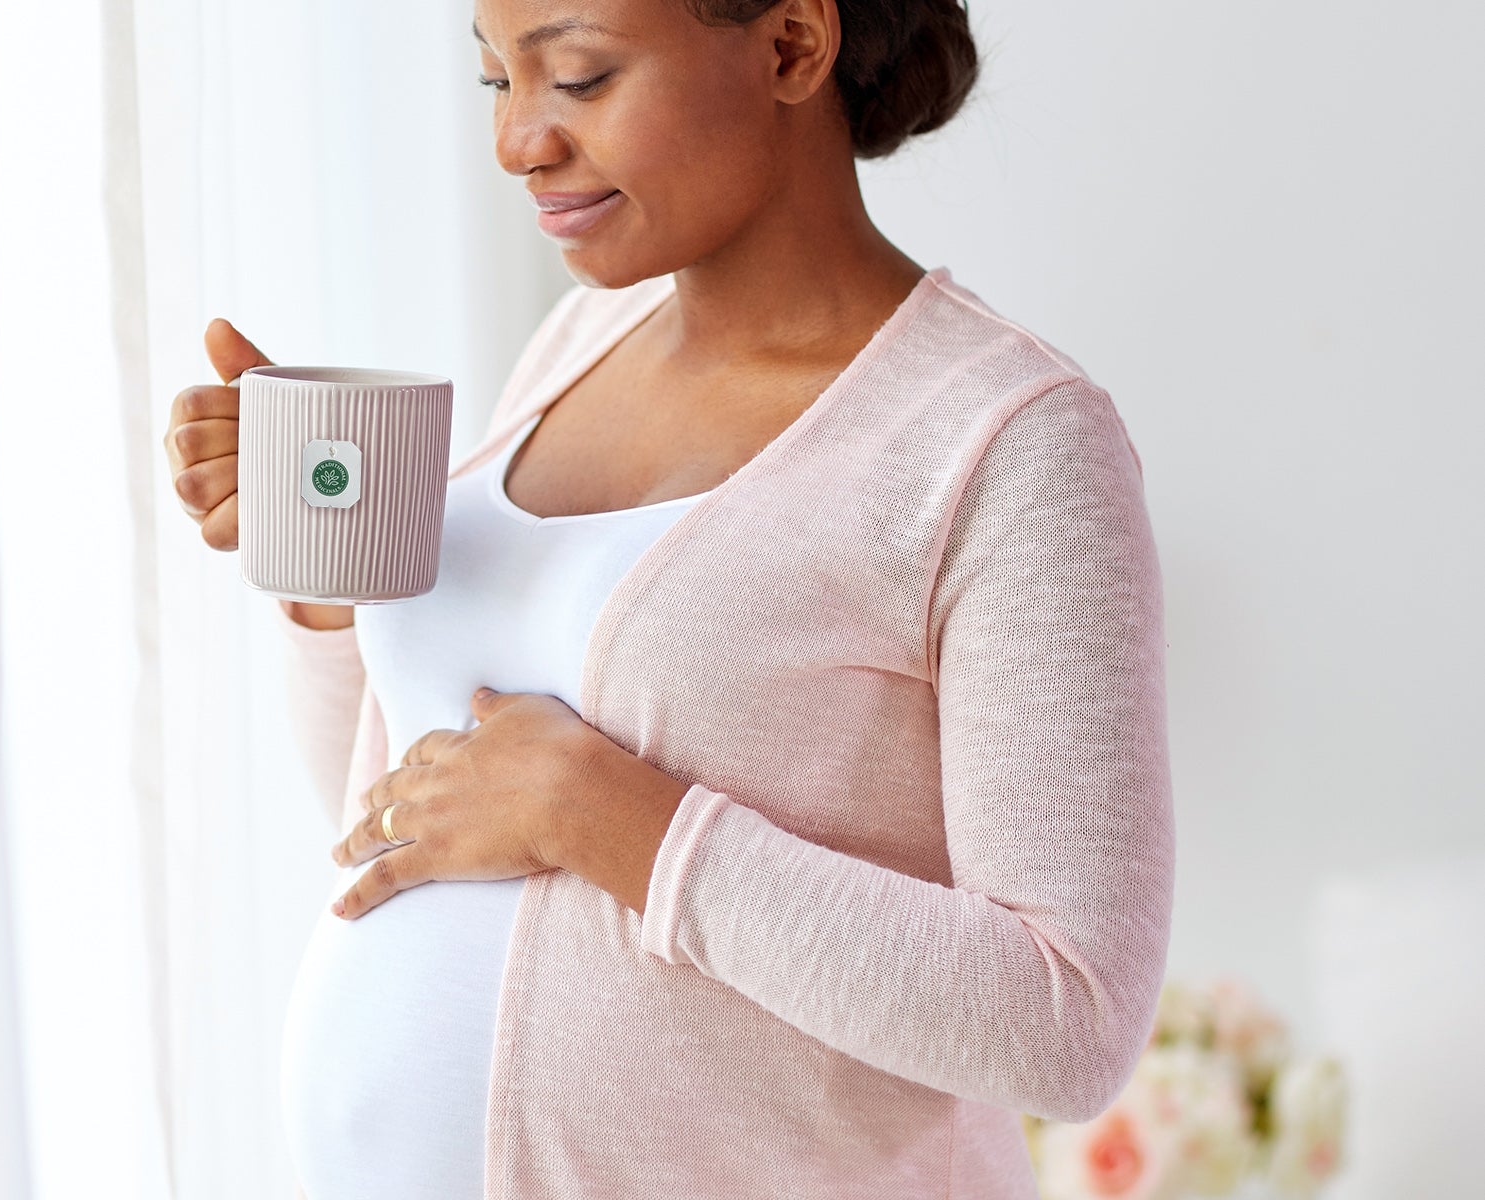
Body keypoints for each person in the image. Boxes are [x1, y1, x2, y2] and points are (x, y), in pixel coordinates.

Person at [163, 1, 1176, 1197]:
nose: (518, 143)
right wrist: (335, 596)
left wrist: (614, 818)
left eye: (579, 80)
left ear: (793, 45)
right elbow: (397, 821)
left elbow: (1064, 1021)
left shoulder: (1002, 442)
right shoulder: (578, 341)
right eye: (497, 82)